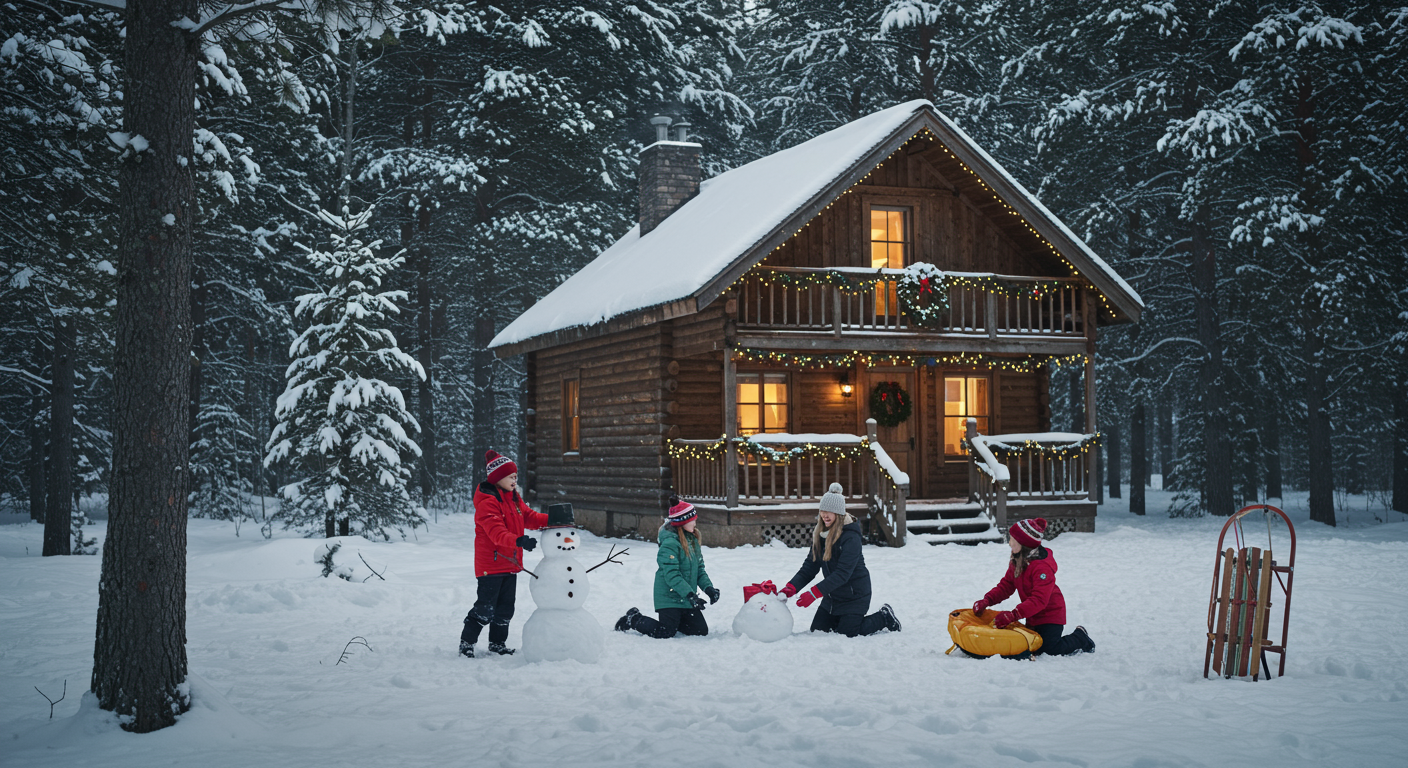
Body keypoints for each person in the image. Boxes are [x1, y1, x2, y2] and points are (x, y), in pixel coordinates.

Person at [778, 483, 901, 637]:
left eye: (830, 511)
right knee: (817, 632)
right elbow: (810, 567)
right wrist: (791, 588)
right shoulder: (821, 534)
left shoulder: (851, 536)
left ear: (839, 513)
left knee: (848, 633)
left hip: (855, 596)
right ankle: (841, 620)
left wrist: (814, 593)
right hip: (832, 597)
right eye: (822, 511)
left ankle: (884, 617)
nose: (825, 515)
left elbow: (843, 573)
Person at [459, 450, 547, 658]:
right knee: (485, 609)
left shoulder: (514, 499)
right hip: (491, 566)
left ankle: (497, 644)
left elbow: (531, 517)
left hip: (510, 564)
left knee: (505, 609)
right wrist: (518, 540)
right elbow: (496, 533)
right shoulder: (487, 503)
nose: (515, 480)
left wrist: (553, 519)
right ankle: (467, 643)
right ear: (498, 478)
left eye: (516, 476)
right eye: (510, 476)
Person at [972, 517, 1095, 656]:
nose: (1010, 543)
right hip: (1032, 614)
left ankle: (1080, 637)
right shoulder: (1017, 561)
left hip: (1051, 614)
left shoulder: (1041, 568)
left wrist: (1014, 615)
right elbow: (1006, 585)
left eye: (1013, 540)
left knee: (1050, 649)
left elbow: (1039, 600)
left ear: (1024, 544)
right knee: (1032, 647)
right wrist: (987, 600)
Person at [614, 496, 720, 638]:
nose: (695, 522)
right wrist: (691, 595)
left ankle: (677, 620)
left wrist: (709, 589)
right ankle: (633, 618)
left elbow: (699, 570)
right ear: (683, 522)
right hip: (669, 597)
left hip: (686, 598)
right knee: (665, 632)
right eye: (693, 519)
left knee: (700, 631)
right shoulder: (670, 543)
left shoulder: (692, 540)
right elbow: (672, 575)